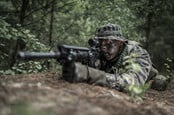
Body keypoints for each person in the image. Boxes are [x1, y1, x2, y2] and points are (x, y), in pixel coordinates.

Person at [62, 23, 167, 91]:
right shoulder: (97, 52)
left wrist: (89, 73)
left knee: (159, 82)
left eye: (109, 43)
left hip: (146, 78)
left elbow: (133, 83)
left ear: (120, 43)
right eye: (101, 42)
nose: (104, 48)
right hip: (114, 75)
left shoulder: (136, 52)